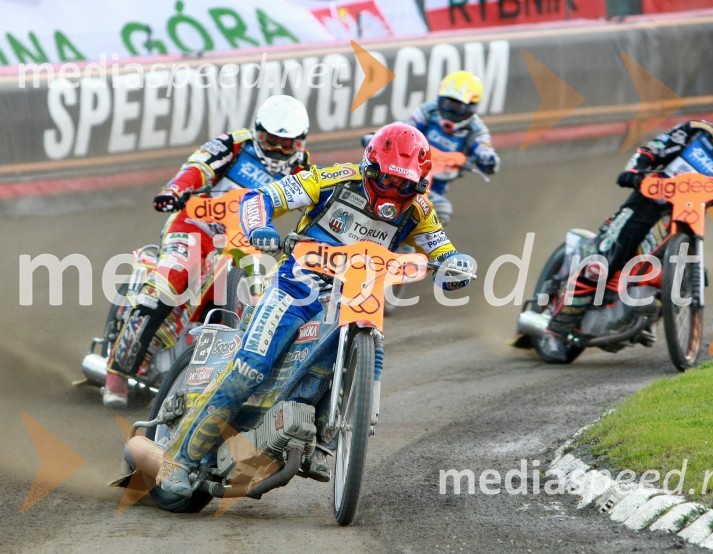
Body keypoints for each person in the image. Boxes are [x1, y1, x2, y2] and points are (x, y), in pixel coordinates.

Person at [155, 123, 476, 496]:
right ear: (369, 167)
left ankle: (319, 438)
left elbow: (443, 252)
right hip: (296, 286)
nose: (392, 192)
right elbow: (261, 198)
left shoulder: (420, 209)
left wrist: (457, 266)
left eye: (403, 185)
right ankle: (180, 458)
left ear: (418, 182)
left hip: (353, 299)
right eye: (385, 180)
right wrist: (260, 228)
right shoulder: (333, 179)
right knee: (250, 367)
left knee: (320, 371)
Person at [102, 95, 312, 408]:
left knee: (259, 301)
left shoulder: (303, 168)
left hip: (246, 241)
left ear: (300, 142)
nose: (278, 151)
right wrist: (175, 190)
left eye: (287, 144)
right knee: (168, 282)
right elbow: (197, 168)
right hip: (195, 225)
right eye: (271, 141)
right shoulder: (234, 145)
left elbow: (316, 205)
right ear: (258, 133)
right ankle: (116, 375)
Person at [544, 96, 713, 359]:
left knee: (676, 274)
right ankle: (556, 329)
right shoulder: (697, 132)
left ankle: (643, 315)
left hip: (686, 217)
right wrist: (636, 170)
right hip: (649, 201)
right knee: (603, 261)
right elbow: (654, 148)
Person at [363, 70, 500, 224]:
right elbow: (405, 125)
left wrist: (487, 157)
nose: (450, 110)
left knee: (442, 210)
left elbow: (484, 146)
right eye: (447, 103)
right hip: (398, 174)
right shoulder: (428, 112)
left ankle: (416, 242)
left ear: (471, 108)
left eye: (457, 107)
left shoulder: (476, 129)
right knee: (363, 179)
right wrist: (379, 136)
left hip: (430, 190)